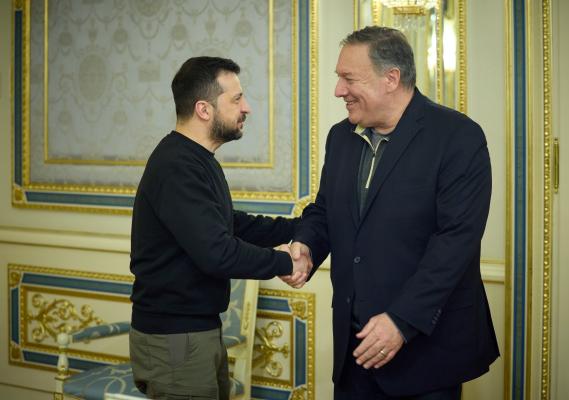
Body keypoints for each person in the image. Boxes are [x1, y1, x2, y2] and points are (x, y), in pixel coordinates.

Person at [285, 26, 499, 399]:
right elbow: (325, 210)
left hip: (426, 356)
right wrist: (307, 245)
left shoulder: (458, 137)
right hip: (355, 354)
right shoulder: (341, 137)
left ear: (391, 78)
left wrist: (402, 320)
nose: (338, 90)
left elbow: (455, 243)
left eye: (348, 78)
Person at [129, 56, 309, 400]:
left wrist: (298, 228)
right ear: (204, 109)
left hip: (196, 331)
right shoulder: (177, 165)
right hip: (176, 340)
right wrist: (286, 262)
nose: (247, 108)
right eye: (237, 99)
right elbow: (218, 253)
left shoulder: (196, 159)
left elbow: (231, 224)